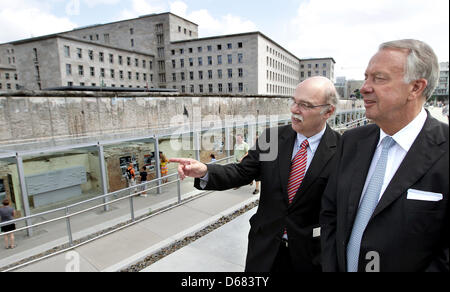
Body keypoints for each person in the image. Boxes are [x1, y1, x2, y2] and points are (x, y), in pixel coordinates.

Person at [170, 76, 341, 272]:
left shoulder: (342, 150)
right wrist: (205, 171)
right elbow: (242, 172)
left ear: (328, 111)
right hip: (265, 249)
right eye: (293, 101)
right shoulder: (273, 138)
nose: (294, 109)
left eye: (305, 105)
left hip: (310, 256)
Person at [320, 39, 449, 272]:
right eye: (366, 77)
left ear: (415, 88)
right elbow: (330, 214)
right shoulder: (351, 141)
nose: (364, 87)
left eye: (379, 78)